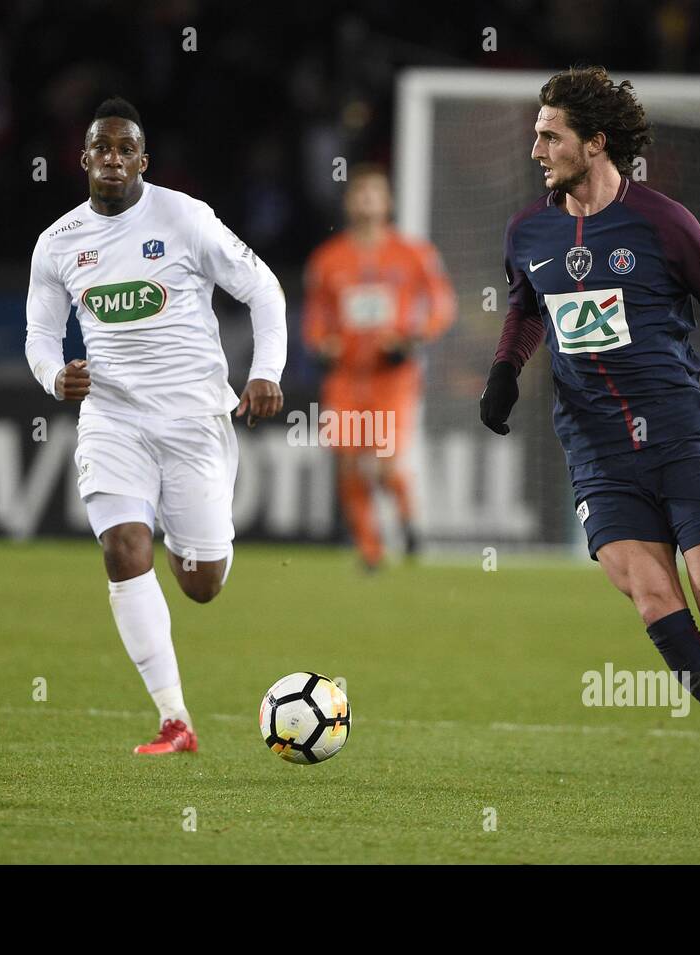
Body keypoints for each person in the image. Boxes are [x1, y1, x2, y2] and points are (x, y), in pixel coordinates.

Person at [479, 67, 700, 799]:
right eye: (535, 133)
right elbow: (527, 305)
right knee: (654, 604)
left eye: (550, 135)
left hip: (674, 433)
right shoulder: (528, 229)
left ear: (596, 142)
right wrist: (505, 370)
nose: (534, 147)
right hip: (595, 448)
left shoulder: (664, 222)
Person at [25, 97, 286, 754]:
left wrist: (266, 372)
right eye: (100, 147)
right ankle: (175, 719)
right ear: (83, 158)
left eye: (125, 148)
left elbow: (264, 289)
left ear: (143, 160)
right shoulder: (57, 243)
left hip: (195, 417)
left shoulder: (185, 218)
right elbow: (39, 334)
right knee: (121, 548)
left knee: (200, 584)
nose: (112, 157)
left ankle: (186, 531)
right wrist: (56, 377)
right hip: (112, 418)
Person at [303, 166, 455, 569]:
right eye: (360, 193)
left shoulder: (413, 253)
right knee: (351, 461)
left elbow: (441, 304)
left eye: (375, 192)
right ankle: (370, 549)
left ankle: (407, 522)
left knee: (386, 463)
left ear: (388, 201)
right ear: (349, 201)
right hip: (346, 377)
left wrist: (411, 338)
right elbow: (315, 317)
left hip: (392, 377)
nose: (367, 200)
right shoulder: (327, 259)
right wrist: (322, 343)